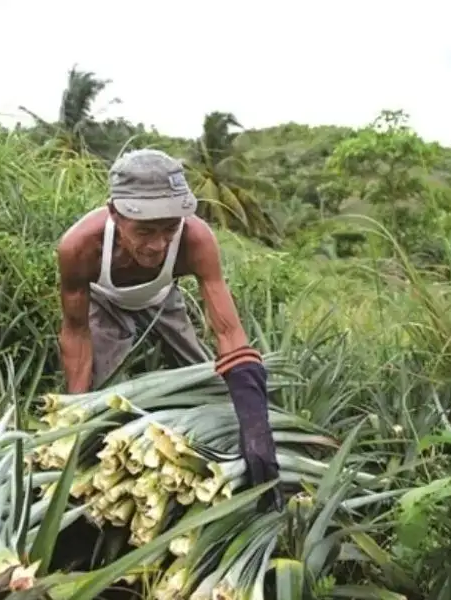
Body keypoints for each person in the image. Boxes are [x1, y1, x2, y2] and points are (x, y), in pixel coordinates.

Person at [55, 148, 284, 513]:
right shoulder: (80, 247)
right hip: (106, 301)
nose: (159, 244)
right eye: (145, 230)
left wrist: (254, 421)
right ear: (114, 212)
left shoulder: (196, 238)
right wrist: (76, 414)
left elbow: (228, 332)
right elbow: (76, 330)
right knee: (97, 394)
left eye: (169, 229)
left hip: (163, 299)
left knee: (210, 382)